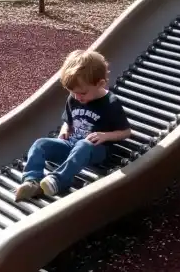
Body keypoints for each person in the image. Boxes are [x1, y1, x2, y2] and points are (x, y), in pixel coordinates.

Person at [14, 49, 131, 201]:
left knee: (83, 144)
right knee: (40, 143)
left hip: (96, 150)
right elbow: (68, 120)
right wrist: (65, 129)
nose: (77, 97)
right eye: (72, 92)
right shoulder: (74, 97)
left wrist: (105, 136)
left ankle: (58, 180)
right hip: (71, 146)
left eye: (82, 93)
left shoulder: (110, 103)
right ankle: (32, 181)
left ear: (100, 83)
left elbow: (126, 132)